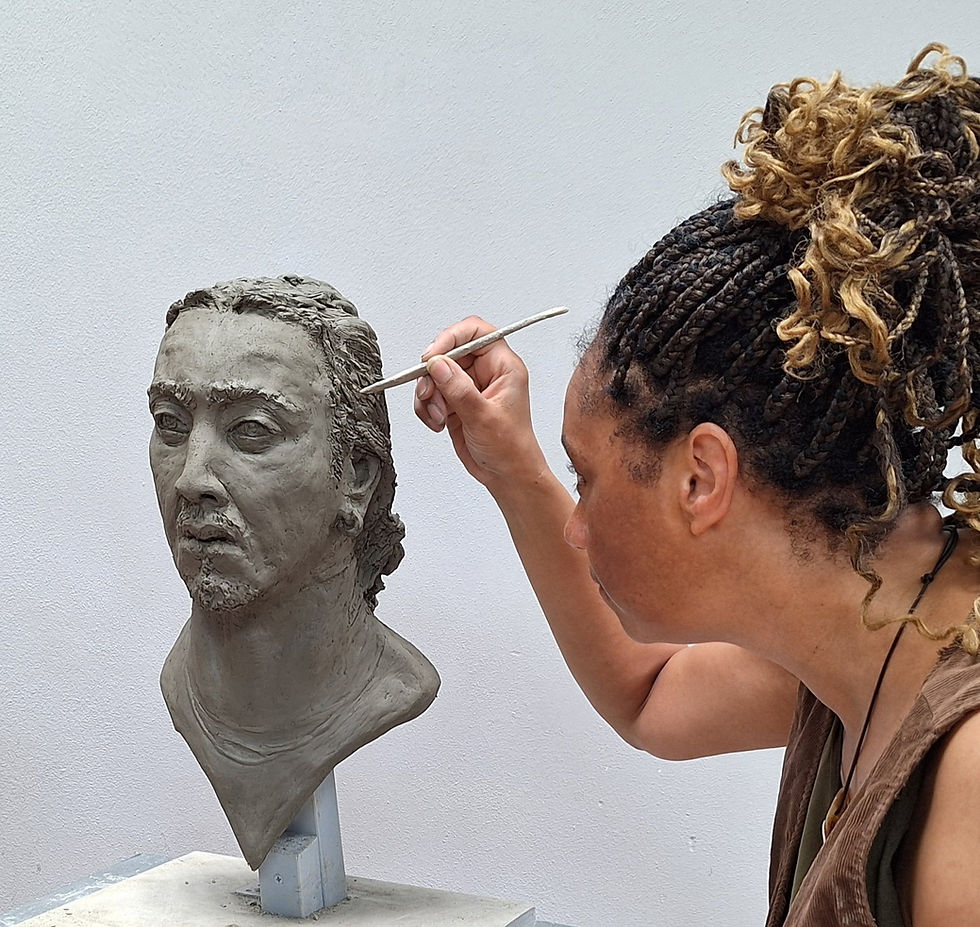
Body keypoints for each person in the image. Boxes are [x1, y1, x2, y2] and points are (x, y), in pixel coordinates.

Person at [414, 45, 980, 926]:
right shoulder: (871, 629)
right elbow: (651, 692)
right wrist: (514, 467)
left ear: (701, 477)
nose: (578, 524)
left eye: (586, 475)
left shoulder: (968, 784)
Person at [148, 275, 439, 869]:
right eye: (171, 424)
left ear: (355, 476)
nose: (191, 478)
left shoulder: (393, 686)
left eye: (252, 431)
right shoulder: (180, 686)